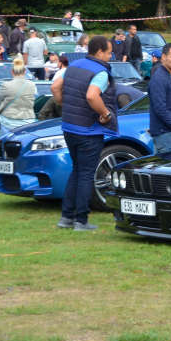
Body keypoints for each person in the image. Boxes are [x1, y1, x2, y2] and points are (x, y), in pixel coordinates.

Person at [51, 35, 117, 231]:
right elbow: (91, 95)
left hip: (69, 127)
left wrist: (66, 105)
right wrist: (105, 113)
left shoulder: (74, 65)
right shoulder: (101, 72)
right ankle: (81, 220)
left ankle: (66, 217)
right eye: (109, 52)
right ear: (99, 52)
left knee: (77, 170)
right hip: (89, 130)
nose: (111, 55)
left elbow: (55, 87)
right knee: (87, 174)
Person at [0, 55, 37, 136]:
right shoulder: (32, 85)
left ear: (12, 71)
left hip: (9, 120)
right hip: (28, 120)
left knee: (6, 144)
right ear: (24, 71)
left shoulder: (6, 85)